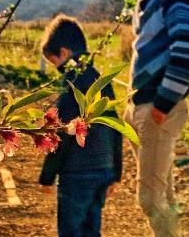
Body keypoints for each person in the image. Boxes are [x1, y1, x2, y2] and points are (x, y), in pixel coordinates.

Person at [96, 0, 189, 237]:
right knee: (163, 194)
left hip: (158, 107)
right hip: (142, 106)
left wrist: (163, 105)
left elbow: (185, 54)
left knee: (149, 198)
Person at [38, 15, 122, 237]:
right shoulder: (101, 81)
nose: (56, 68)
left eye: (54, 61)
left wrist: (47, 176)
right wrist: (116, 172)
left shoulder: (71, 86)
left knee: (71, 231)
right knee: (91, 230)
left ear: (64, 53)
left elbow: (62, 133)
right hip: (102, 170)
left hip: (77, 174)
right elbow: (116, 127)